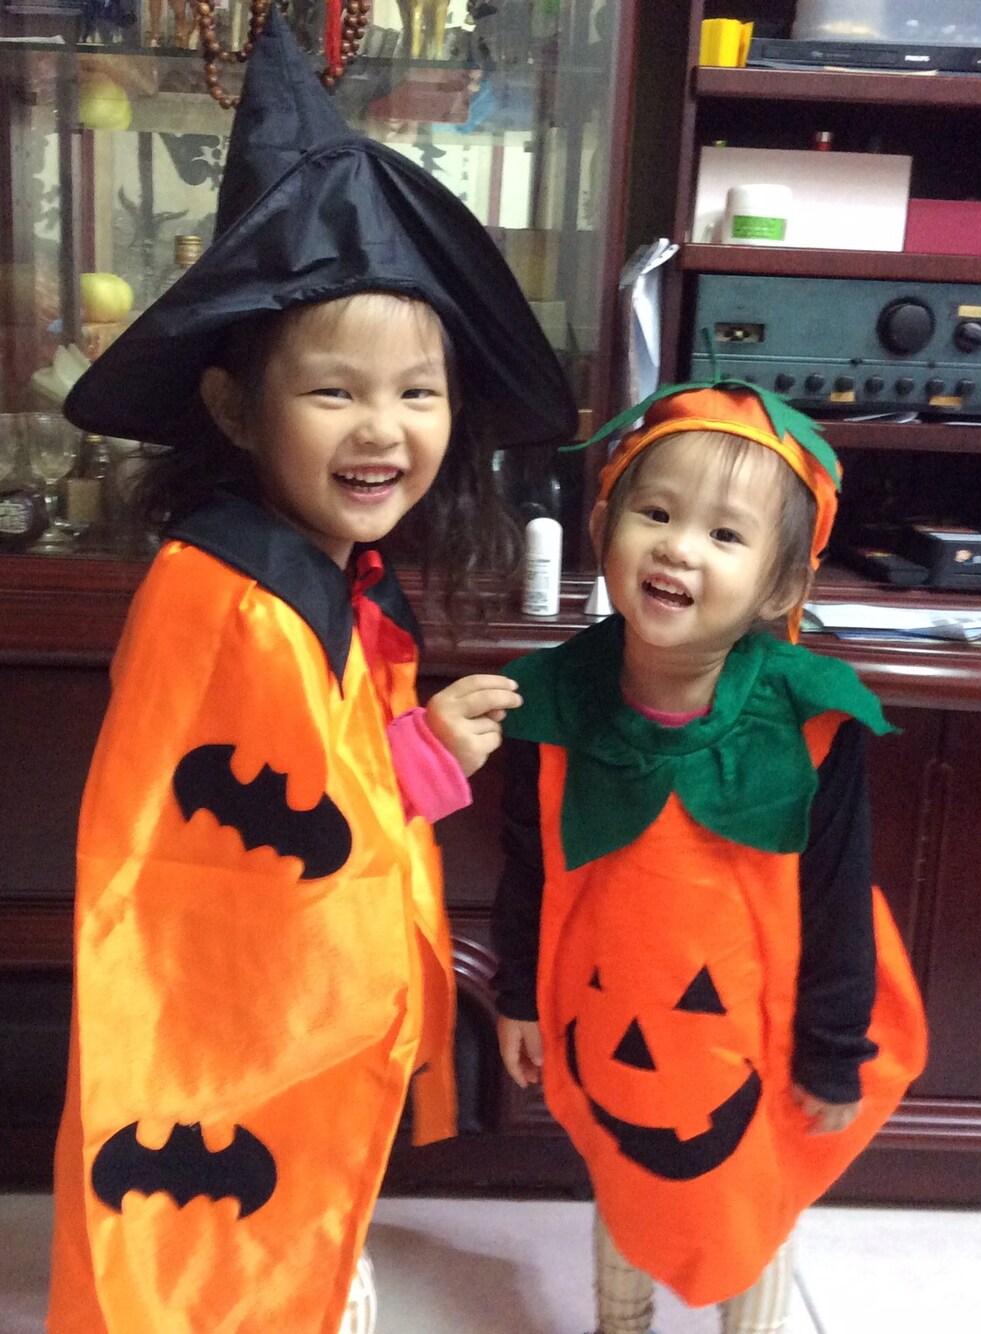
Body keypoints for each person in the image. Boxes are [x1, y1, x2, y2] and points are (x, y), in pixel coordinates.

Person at [47, 10, 576, 1332]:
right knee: (231, 1272)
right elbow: (270, 847)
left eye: (418, 392)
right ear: (237, 407)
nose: (382, 428)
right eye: (334, 392)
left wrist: (407, 743)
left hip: (296, 1042)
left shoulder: (325, 573)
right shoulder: (235, 596)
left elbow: (313, 776)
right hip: (239, 1039)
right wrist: (427, 758)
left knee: (304, 1238)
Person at [493, 381, 927, 1334]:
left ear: (779, 586)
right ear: (604, 526)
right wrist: (517, 991)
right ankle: (621, 1322)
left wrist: (831, 1050)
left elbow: (837, 894)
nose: (679, 547)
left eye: (725, 534)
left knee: (754, 1188)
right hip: (612, 1007)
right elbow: (528, 862)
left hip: (754, 1023)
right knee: (626, 1164)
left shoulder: (812, 721)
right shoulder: (550, 702)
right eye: (655, 514)